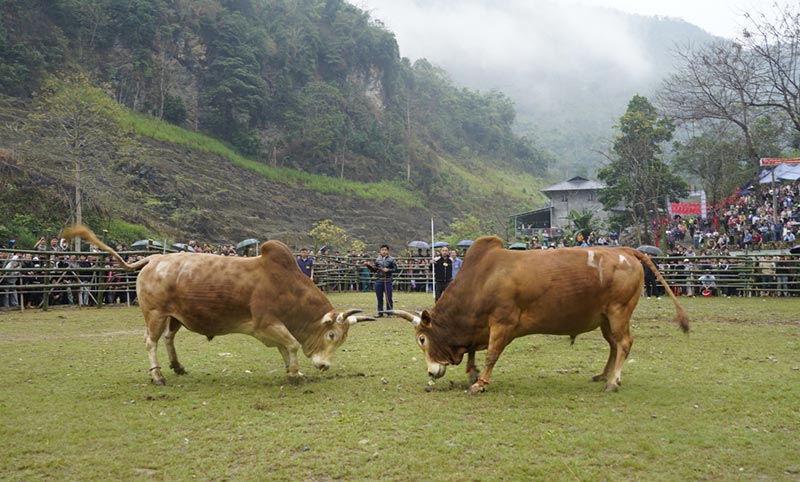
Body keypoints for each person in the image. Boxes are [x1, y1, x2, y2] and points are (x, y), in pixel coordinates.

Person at [368, 244, 397, 317]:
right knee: (379, 298)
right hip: (379, 281)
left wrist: (388, 270)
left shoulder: (392, 259)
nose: (384, 251)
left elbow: (396, 269)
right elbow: (374, 270)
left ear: (388, 251)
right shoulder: (377, 260)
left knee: (389, 298)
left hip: (387, 281)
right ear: (380, 251)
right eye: (382, 250)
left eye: (385, 250)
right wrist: (368, 266)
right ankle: (380, 312)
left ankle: (389, 313)